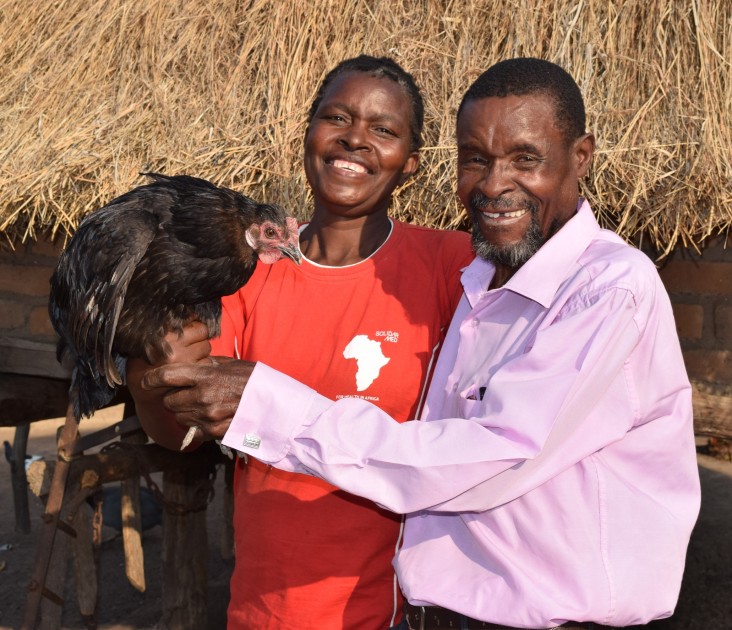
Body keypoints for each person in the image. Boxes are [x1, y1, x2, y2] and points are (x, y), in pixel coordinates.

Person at [141, 58, 701, 629]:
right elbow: (178, 419)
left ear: (580, 157)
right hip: (406, 612)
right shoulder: (480, 282)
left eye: (525, 158)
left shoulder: (604, 288)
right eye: (475, 159)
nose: (493, 183)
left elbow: (495, 457)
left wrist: (270, 405)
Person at [128, 55, 474, 629]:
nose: (355, 139)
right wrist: (151, 382)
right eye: (336, 117)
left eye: (383, 130)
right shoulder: (245, 274)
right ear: (309, 133)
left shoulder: (448, 266)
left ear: (410, 162)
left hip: (393, 612)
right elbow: (182, 433)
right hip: (264, 609)